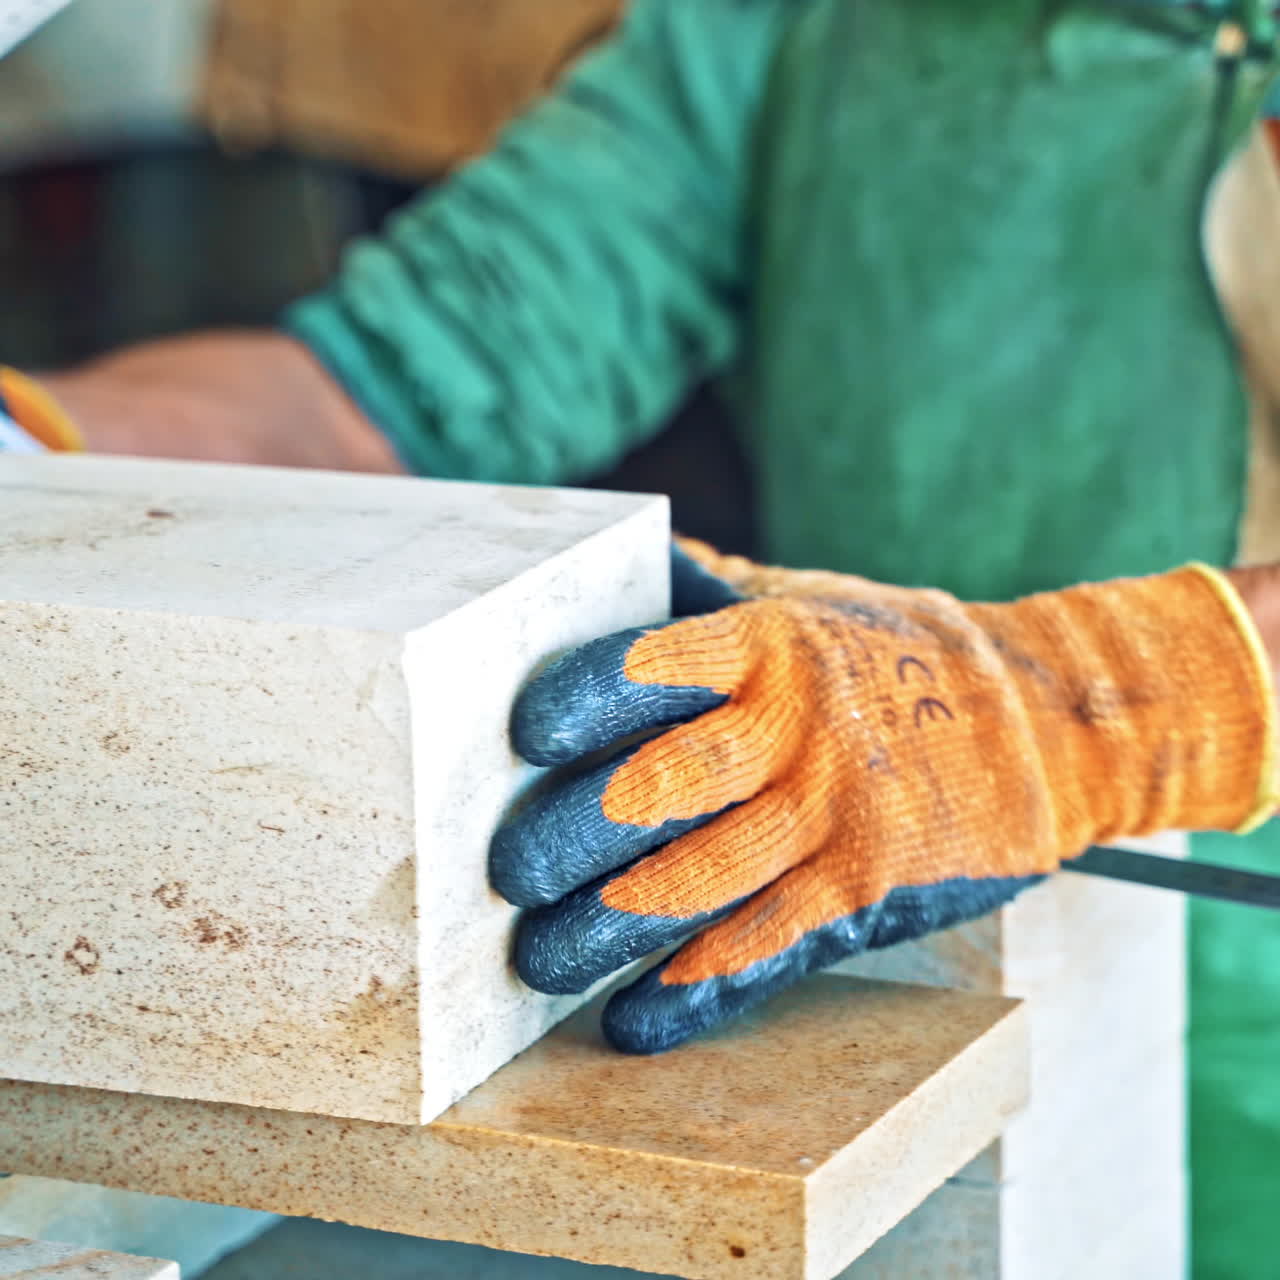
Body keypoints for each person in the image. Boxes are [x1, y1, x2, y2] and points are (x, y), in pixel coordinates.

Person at [5, 1, 1280, 1271]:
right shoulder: (805, 29)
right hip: (911, 1009)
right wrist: (28, 455)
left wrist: (1113, 701)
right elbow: (374, 385)